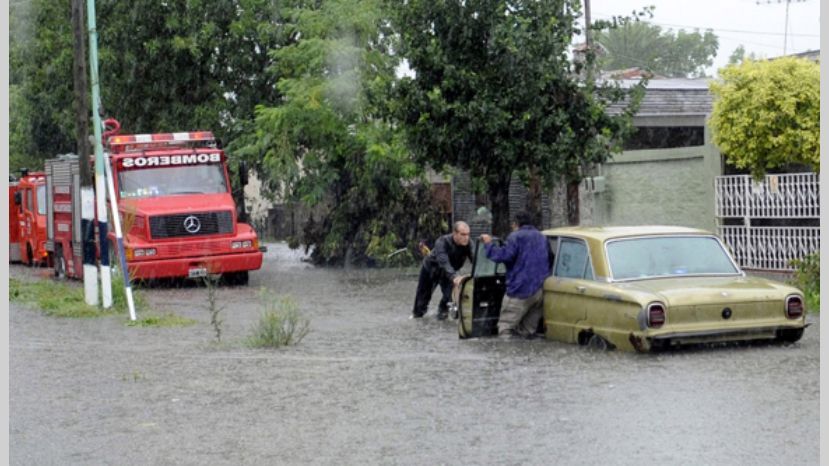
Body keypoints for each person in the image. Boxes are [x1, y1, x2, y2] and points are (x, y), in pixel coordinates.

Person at [480, 211, 551, 338]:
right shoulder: (542, 237)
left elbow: (503, 256)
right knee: (527, 332)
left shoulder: (515, 236)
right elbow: (550, 258)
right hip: (539, 292)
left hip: (519, 291)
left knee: (505, 329)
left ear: (516, 224)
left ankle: (508, 357)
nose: (512, 227)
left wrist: (488, 244)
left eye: (512, 224)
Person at [411, 221, 473, 320]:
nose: (466, 237)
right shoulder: (442, 242)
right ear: (455, 233)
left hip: (448, 274)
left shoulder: (469, 244)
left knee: (451, 298)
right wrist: (455, 277)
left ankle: (441, 315)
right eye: (463, 234)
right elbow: (444, 262)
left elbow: (475, 259)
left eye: (468, 234)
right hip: (430, 271)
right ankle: (417, 318)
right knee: (420, 305)